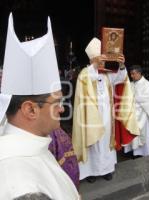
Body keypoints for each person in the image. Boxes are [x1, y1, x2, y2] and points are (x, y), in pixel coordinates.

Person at [0, 13, 79, 199]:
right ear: (30, 110)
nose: (62, 109)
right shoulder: (20, 184)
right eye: (57, 102)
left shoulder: (35, 146)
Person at [72, 38, 139, 183]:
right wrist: (94, 66)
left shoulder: (107, 75)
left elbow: (121, 78)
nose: (102, 62)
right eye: (99, 59)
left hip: (107, 117)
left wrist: (121, 65)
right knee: (93, 143)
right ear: (93, 60)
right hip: (91, 117)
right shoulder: (86, 73)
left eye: (103, 59)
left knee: (106, 142)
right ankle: (90, 172)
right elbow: (87, 77)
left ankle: (107, 170)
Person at [124, 65, 149, 156]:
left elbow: (147, 100)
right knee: (133, 135)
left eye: (133, 74)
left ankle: (144, 153)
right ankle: (134, 151)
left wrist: (132, 98)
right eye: (131, 74)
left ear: (139, 73)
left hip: (143, 115)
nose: (131, 76)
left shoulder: (146, 84)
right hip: (133, 114)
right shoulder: (131, 84)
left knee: (143, 135)